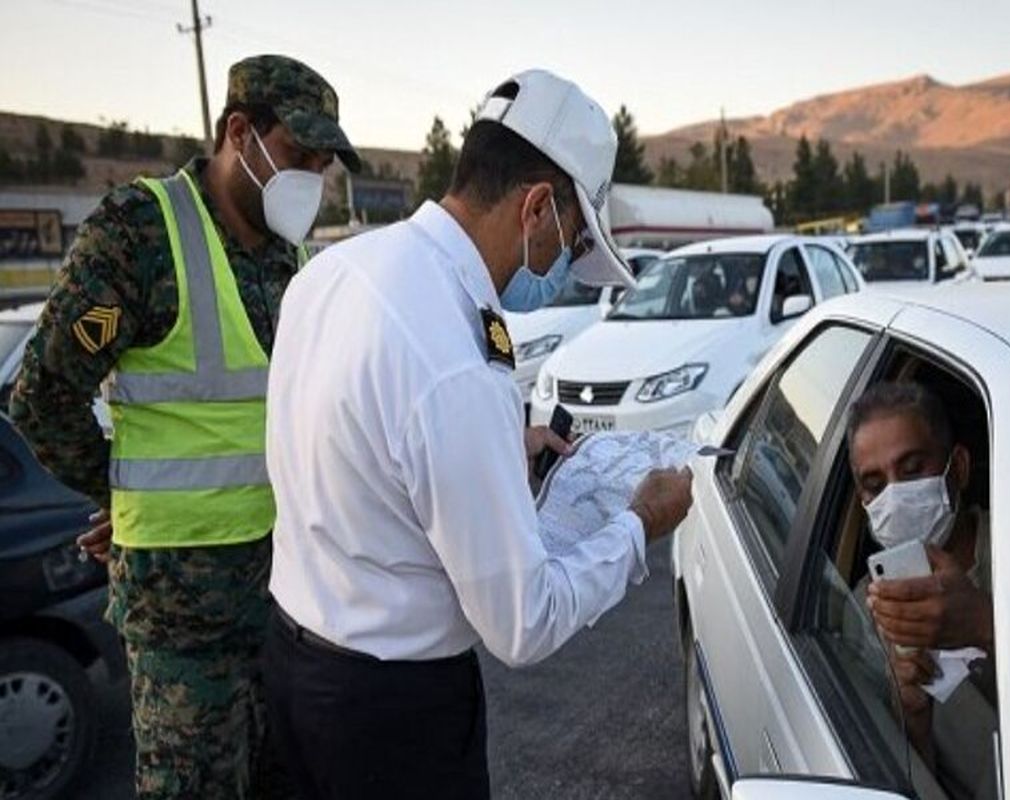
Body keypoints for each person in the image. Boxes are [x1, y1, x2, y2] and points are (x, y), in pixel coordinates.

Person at [262, 68, 694, 799]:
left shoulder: (336, 271)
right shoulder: (459, 361)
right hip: (394, 721)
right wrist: (637, 526)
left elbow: (356, 445)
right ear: (536, 209)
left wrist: (495, 453)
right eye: (574, 240)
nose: (563, 267)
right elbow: (523, 626)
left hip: (294, 669)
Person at [9, 55, 358, 798]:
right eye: (301, 155)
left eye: (325, 164)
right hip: (183, 623)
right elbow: (42, 397)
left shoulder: (291, 258)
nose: (316, 177)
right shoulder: (140, 232)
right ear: (240, 133)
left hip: (289, 599)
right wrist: (122, 494)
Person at [845, 380, 997, 799]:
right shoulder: (869, 609)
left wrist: (987, 623)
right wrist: (912, 714)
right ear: (863, 501)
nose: (895, 496)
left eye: (912, 470)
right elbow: (901, 783)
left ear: (959, 468)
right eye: (875, 485)